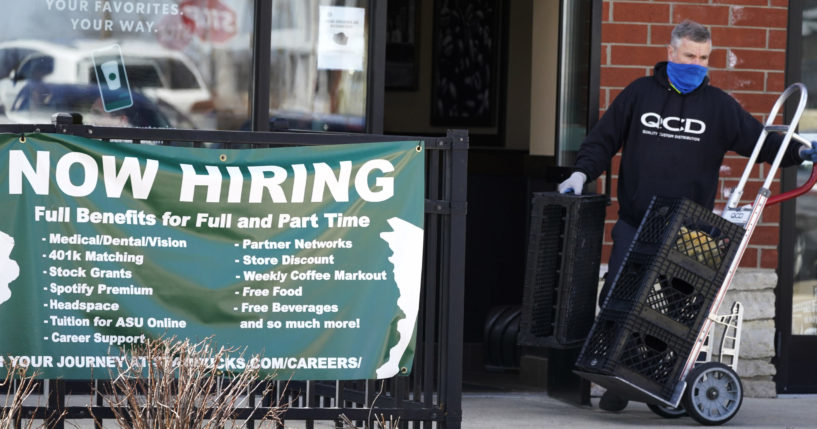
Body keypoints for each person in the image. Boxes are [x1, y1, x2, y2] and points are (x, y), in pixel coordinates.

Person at [558, 19, 817, 412]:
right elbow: (603, 139)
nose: (696, 64)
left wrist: (801, 152)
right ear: (671, 53)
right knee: (620, 299)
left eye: (703, 58)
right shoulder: (639, 95)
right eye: (689, 56)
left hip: (691, 227)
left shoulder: (718, 106)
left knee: (678, 315)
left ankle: (661, 381)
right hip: (638, 219)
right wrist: (580, 174)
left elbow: (759, 142)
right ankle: (618, 383)